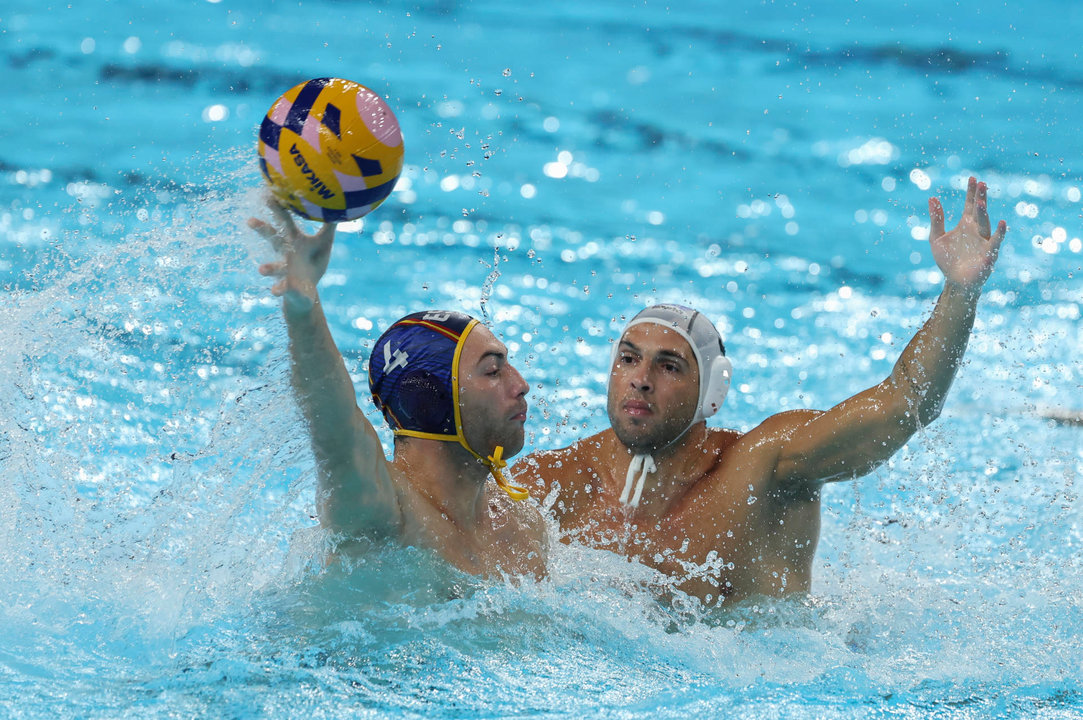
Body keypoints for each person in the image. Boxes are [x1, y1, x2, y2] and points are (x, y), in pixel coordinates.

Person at [514, 176, 1007, 604]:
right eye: (628, 359)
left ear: (710, 393)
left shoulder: (763, 469)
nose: (640, 377)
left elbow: (904, 405)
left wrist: (960, 293)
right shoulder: (552, 483)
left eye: (669, 366)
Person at [250, 202, 546, 579]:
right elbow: (333, 424)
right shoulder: (382, 513)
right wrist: (303, 303)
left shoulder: (521, 526)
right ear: (432, 403)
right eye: (492, 371)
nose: (521, 385)